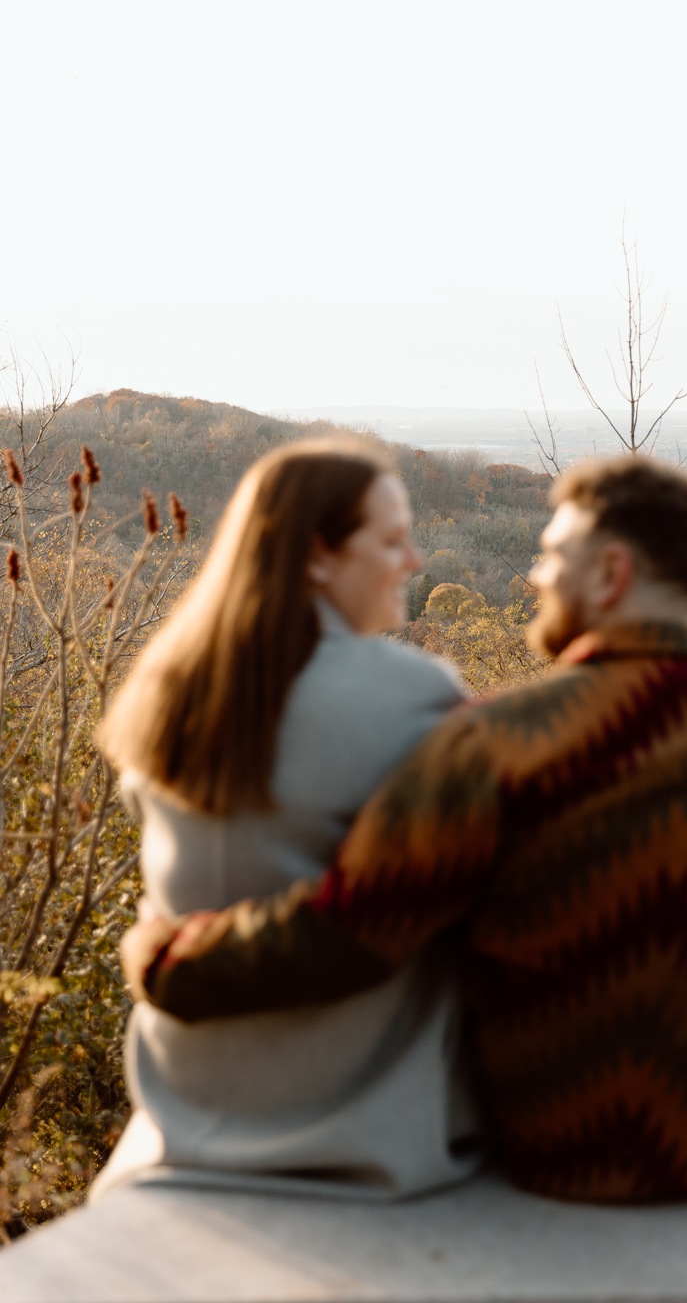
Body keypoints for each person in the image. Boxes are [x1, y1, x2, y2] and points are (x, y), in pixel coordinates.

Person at [123, 455, 687, 1301]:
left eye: (550, 551)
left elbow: (355, 928)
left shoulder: (497, 741)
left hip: (550, 1136)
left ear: (610, 573)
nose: (533, 574)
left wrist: (174, 961)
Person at [92, 439, 480, 1201]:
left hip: (187, 1110)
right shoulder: (414, 696)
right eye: (392, 538)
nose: (413, 559)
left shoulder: (164, 692)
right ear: (316, 555)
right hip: (369, 1129)